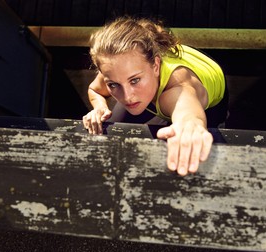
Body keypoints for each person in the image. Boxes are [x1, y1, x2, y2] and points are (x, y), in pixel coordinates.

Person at [82, 17, 228, 176]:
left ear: (156, 66)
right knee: (110, 128)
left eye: (135, 80)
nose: (127, 96)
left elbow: (188, 114)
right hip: (152, 85)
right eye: (113, 85)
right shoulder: (116, 71)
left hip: (211, 96)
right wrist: (100, 107)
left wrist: (191, 127)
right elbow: (95, 90)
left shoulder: (176, 89)